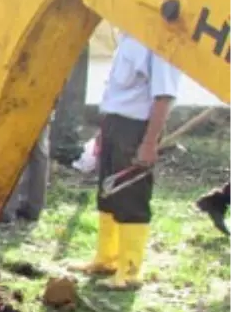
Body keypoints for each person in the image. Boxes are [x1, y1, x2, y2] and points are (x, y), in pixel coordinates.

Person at [72, 33, 181, 290]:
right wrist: (103, 131)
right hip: (115, 122)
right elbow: (117, 90)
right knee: (108, 193)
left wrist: (149, 142)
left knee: (130, 194)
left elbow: (163, 97)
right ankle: (106, 258)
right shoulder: (128, 36)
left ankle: (129, 270)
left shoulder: (163, 43)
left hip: (137, 128)